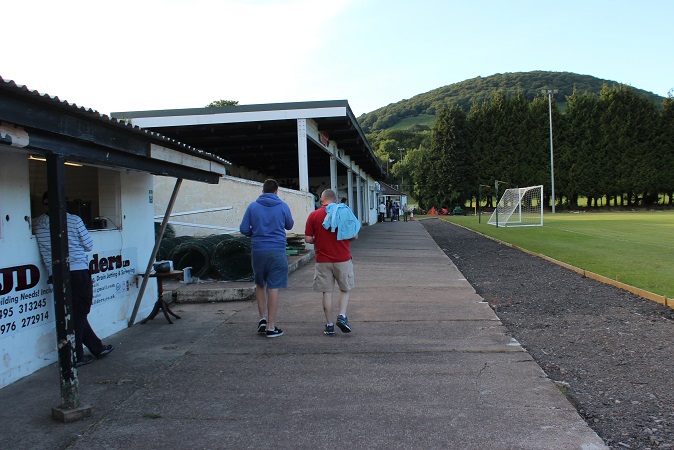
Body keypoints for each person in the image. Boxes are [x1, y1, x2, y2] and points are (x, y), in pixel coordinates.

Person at [33, 192, 114, 367]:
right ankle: (75, 356)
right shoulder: (74, 220)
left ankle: (97, 348)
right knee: (78, 314)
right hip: (77, 272)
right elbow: (88, 244)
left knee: (74, 313)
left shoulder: (37, 223)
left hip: (56, 275)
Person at [239, 179, 294, 338]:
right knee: (274, 287)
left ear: (262, 191)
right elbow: (289, 225)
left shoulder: (253, 206)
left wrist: (255, 234)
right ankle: (271, 326)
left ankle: (262, 319)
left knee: (260, 283)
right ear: (277, 191)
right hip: (277, 250)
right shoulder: (283, 206)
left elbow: (243, 229)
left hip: (258, 250)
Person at [305, 189, 358, 336]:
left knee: (327, 292)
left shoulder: (314, 215)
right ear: (335, 199)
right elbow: (355, 235)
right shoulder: (345, 212)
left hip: (322, 260)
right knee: (345, 289)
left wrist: (319, 238)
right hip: (343, 258)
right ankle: (342, 315)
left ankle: (329, 325)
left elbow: (308, 239)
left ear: (322, 200)